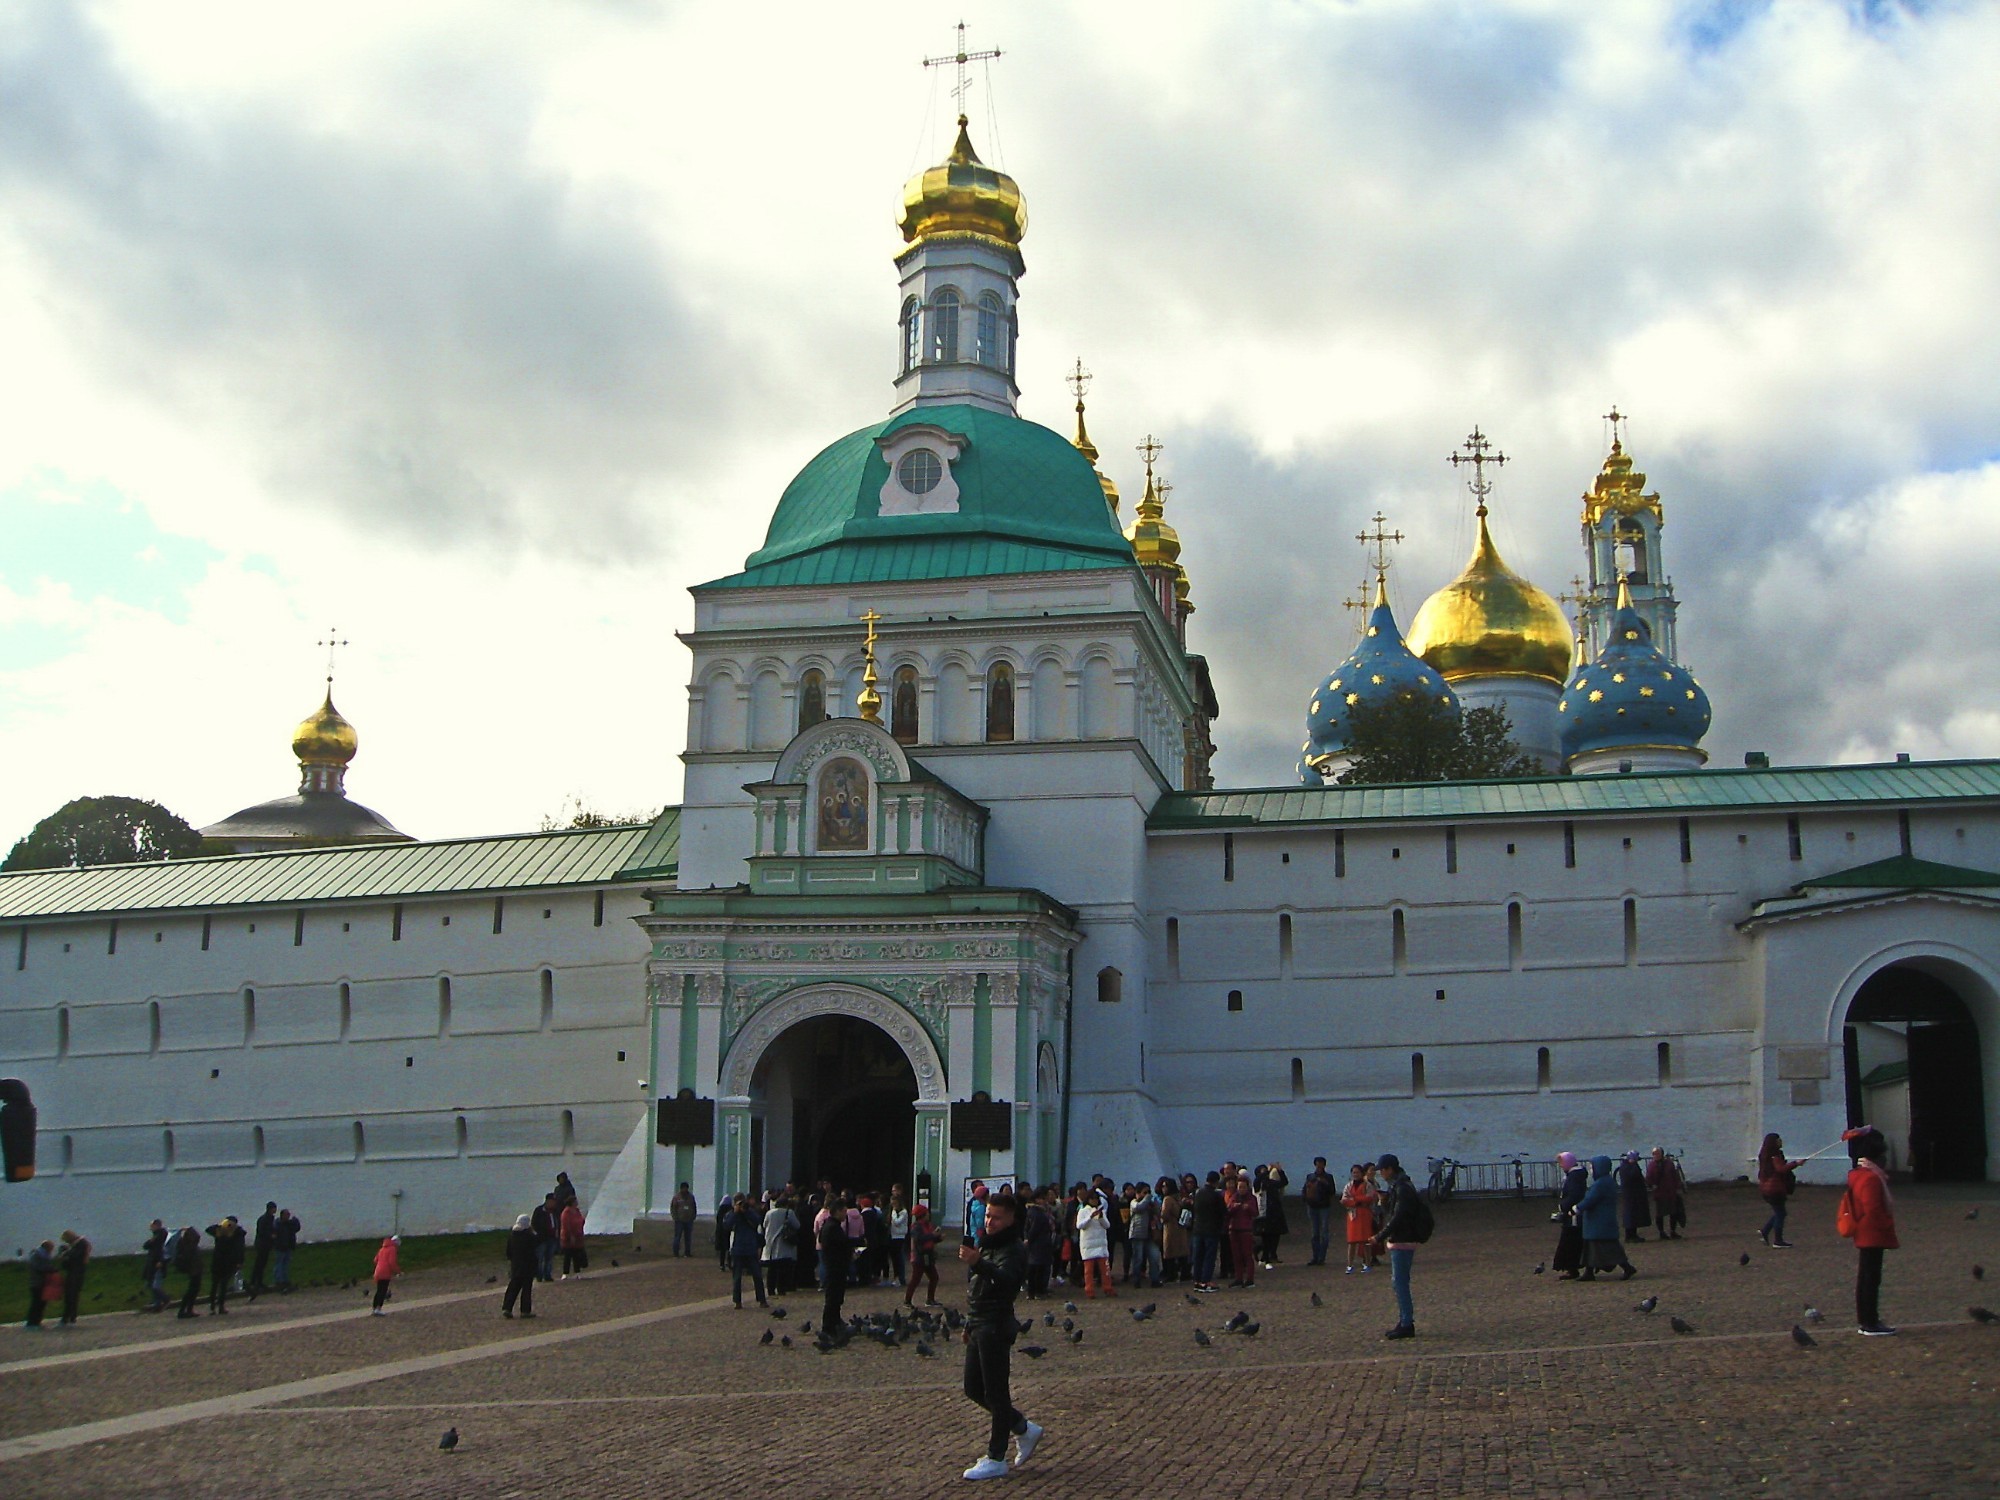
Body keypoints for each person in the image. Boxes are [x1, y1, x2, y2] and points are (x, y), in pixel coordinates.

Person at [957, 1189, 1043, 1481]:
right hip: (980, 1323)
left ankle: (996, 1457)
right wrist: (969, 1324)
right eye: (989, 1216)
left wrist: (977, 1263)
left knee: (996, 1392)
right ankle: (1021, 1427)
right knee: (973, 1388)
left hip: (996, 1325)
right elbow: (979, 1288)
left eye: (997, 1217)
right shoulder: (990, 1243)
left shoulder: (1014, 1249)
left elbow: (1006, 1281)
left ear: (1011, 1219)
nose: (990, 1222)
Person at [1841, 1126, 1899, 1335]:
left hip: (1865, 1232)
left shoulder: (1859, 1175)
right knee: (1871, 1278)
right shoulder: (1871, 1178)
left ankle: (1867, 1319)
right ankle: (1869, 1321)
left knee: (1867, 1277)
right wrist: (1885, 1226)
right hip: (1872, 1232)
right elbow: (1873, 1208)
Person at [1372, 1154, 1423, 1339]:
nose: (1381, 1174)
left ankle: (1406, 1323)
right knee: (1399, 1282)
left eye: (1382, 1170)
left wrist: (1380, 1236)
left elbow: (1398, 1216)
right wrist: (1385, 1203)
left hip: (1403, 1238)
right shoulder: (1400, 1186)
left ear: (1389, 1169)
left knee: (1400, 1283)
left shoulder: (1401, 1188)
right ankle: (1404, 1320)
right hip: (1402, 1237)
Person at [1579, 1155, 1637, 1281]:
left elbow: (1590, 1200)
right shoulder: (1607, 1181)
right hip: (1602, 1222)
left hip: (1599, 1222)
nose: (1591, 1170)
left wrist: (1577, 1208)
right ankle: (1589, 1272)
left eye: (1592, 1167)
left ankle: (1627, 1267)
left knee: (1607, 1248)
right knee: (1594, 1247)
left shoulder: (1600, 1184)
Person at [816, 1194, 853, 1337]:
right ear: (837, 1211)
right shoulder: (832, 1227)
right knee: (833, 1298)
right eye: (844, 1211)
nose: (845, 1214)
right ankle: (829, 1327)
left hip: (835, 1266)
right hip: (835, 1267)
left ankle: (835, 1323)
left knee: (836, 1298)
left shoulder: (829, 1225)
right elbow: (839, 1245)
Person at [1756, 1132, 1801, 1248]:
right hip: (1775, 1189)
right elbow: (1781, 1169)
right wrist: (1796, 1164)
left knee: (1779, 1212)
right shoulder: (1774, 1156)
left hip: (1767, 1188)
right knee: (1780, 1213)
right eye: (1778, 1140)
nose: (1781, 1142)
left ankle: (1765, 1231)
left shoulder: (1764, 1155)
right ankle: (1778, 1240)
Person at [727, 1193, 768, 1309]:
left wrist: (746, 1211)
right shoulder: (733, 1214)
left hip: (750, 1248)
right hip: (738, 1249)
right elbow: (726, 1225)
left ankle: (762, 1299)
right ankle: (737, 1301)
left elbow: (757, 1220)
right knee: (737, 1277)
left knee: (757, 1275)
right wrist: (735, 1212)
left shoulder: (750, 1212)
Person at [1552, 1152, 1588, 1279]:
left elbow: (1574, 1195)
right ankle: (1572, 1268)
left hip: (1573, 1216)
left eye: (1562, 1163)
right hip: (1573, 1214)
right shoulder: (1576, 1175)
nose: (1561, 1166)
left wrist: (1563, 1206)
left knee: (1570, 1242)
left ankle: (1571, 1268)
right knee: (1572, 1242)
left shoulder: (1574, 1177)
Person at [1075, 1184, 1113, 1298]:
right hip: (1088, 1244)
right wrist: (1090, 1217)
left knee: (1105, 1269)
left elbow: (1107, 1225)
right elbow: (1079, 1225)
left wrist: (1101, 1216)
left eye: (1096, 1199)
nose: (1095, 1201)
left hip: (1101, 1243)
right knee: (1089, 1271)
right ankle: (1089, 1290)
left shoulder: (1101, 1211)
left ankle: (1108, 1288)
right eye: (1092, 1199)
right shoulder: (1083, 1211)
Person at [1190, 1170, 1225, 1291]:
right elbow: (1222, 1212)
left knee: (1198, 1256)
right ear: (1216, 1181)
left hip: (1198, 1229)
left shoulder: (1198, 1193)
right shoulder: (1216, 1195)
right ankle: (1206, 1281)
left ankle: (1197, 1280)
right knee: (1209, 1256)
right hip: (1211, 1230)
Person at [1341, 1163, 1377, 1274]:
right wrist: (1357, 1201)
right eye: (1354, 1172)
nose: (1355, 1174)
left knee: (1366, 1240)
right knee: (1351, 1241)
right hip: (1353, 1215)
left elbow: (1370, 1198)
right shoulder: (1349, 1186)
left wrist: (1354, 1200)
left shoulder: (1367, 1185)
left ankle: (1367, 1263)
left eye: (1357, 1172)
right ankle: (1350, 1265)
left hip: (1364, 1214)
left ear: (1362, 1173)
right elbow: (1344, 1200)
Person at [1302, 1156, 1338, 1267]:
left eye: (1321, 1164)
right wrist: (1306, 1200)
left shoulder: (1328, 1177)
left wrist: (1324, 1183)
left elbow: (1332, 1191)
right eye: (1317, 1164)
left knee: (1324, 1232)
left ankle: (1321, 1257)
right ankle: (1315, 1257)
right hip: (1312, 1206)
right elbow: (1305, 1190)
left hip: (1324, 1206)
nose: (1319, 1166)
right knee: (1315, 1233)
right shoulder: (1310, 1176)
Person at [762, 1194, 800, 1298]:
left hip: (770, 1242)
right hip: (783, 1243)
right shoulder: (789, 1212)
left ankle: (770, 1289)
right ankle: (781, 1289)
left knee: (772, 1268)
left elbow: (764, 1225)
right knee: (782, 1268)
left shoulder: (769, 1213)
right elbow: (797, 1225)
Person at [206, 1216, 246, 1314]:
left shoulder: (237, 1233)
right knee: (216, 1284)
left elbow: (240, 1249)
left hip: (227, 1261)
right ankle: (214, 1305)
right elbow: (208, 1230)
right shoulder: (220, 1231)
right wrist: (220, 1226)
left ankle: (220, 1305)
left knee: (222, 1285)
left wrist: (239, 1261)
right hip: (219, 1261)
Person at [1224, 1172, 1258, 1287]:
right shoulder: (1234, 1197)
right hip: (1233, 1229)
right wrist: (1234, 1207)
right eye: (1239, 1187)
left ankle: (1249, 1279)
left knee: (1247, 1255)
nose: (1241, 1189)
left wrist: (1248, 1208)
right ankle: (1238, 1278)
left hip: (1245, 1229)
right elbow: (1227, 1211)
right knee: (1236, 1255)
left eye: (1243, 1187)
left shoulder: (1251, 1199)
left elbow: (1255, 1212)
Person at [905, 1202, 943, 1306]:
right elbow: (919, 1240)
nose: (928, 1215)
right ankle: (907, 1301)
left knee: (934, 1277)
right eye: (926, 1213)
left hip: (928, 1255)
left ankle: (930, 1300)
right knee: (915, 1280)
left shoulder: (927, 1225)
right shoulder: (916, 1227)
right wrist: (933, 1235)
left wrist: (938, 1238)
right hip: (920, 1256)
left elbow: (929, 1240)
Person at [1126, 1180, 1162, 1288]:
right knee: (1138, 1259)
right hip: (1138, 1234)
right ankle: (1136, 1280)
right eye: (1144, 1192)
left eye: (1148, 1192)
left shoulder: (1151, 1203)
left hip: (1151, 1234)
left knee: (1154, 1257)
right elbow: (1139, 1208)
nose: (1147, 1195)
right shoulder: (1133, 1202)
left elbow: (1158, 1212)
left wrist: (1154, 1204)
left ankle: (1155, 1280)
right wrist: (1147, 1199)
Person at [1645, 1148, 1686, 1239]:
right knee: (1660, 1214)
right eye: (1654, 1154)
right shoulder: (1652, 1165)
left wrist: (1678, 1187)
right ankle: (1661, 1232)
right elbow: (1648, 1178)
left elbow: (1675, 1176)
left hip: (1670, 1192)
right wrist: (1651, 1185)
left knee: (1673, 1212)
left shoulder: (1669, 1164)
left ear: (1661, 1154)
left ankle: (1672, 1231)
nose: (1655, 1156)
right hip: (1660, 1194)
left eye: (1657, 1154)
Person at [502, 1214, 537, 1318]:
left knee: (513, 1287)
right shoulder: (529, 1236)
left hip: (516, 1265)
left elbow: (508, 1252)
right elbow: (533, 1248)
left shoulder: (512, 1235)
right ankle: (525, 1310)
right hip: (527, 1266)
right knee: (526, 1289)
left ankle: (507, 1308)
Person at [1258, 1161, 1291, 1267]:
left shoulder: (1270, 1183)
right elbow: (1259, 1181)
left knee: (1275, 1235)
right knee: (1266, 1236)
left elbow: (1284, 1182)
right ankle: (1265, 1256)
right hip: (1264, 1213)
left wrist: (1280, 1171)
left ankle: (1271, 1255)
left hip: (1274, 1212)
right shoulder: (1259, 1183)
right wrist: (1267, 1171)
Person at [56, 1228, 91, 1326]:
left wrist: (65, 1255)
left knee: (71, 1295)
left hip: (76, 1273)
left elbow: (75, 1258)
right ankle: (70, 1317)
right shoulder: (79, 1245)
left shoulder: (81, 1245)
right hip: (75, 1272)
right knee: (71, 1296)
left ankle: (69, 1318)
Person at [1023, 1191, 1054, 1299]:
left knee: (1035, 1268)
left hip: (1038, 1243)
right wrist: (1029, 1239)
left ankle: (1034, 1291)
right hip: (1039, 1243)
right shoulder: (1037, 1213)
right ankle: (1038, 1291)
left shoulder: (1034, 1211)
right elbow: (1034, 1228)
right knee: (1038, 1269)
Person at [1617, 1152, 1651, 1243]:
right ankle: (1630, 1236)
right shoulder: (1630, 1168)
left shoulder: (1624, 1166)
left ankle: (1632, 1235)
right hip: (1632, 1194)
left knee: (1632, 1215)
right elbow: (1634, 1176)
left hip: (1630, 1194)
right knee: (1632, 1215)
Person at [173, 1224, 204, 1319]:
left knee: (193, 1290)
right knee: (192, 1290)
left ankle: (187, 1310)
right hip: (194, 1270)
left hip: (193, 1269)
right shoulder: (189, 1245)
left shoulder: (185, 1244)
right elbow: (196, 1236)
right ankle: (185, 1310)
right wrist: (190, 1229)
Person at [23, 1239, 56, 1330]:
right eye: (51, 1248)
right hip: (37, 1283)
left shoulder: (43, 1255)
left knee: (42, 1303)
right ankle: (31, 1323)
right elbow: (38, 1267)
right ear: (46, 1247)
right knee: (36, 1303)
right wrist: (50, 1269)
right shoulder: (36, 1255)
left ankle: (37, 1321)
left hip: (43, 1283)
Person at [141, 1219, 170, 1312]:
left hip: (158, 1263)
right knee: (151, 1283)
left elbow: (164, 1250)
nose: (150, 1228)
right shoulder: (157, 1236)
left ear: (157, 1225)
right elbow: (146, 1245)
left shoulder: (161, 1236)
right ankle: (157, 1305)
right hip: (153, 1262)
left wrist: (161, 1261)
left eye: (152, 1226)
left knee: (155, 1285)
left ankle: (165, 1299)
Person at [271, 1209, 301, 1292]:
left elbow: (296, 1228)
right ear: (282, 1215)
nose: (288, 1216)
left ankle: (285, 1280)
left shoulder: (289, 1224)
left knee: (285, 1265)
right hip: (280, 1247)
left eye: (288, 1215)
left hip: (288, 1247)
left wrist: (296, 1221)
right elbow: (275, 1235)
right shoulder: (277, 1224)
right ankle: (279, 1281)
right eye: (286, 1215)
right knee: (279, 1264)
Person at [371, 1234, 400, 1315]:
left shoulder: (382, 1249)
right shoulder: (392, 1249)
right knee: (383, 1291)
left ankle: (374, 1308)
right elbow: (392, 1262)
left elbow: (375, 1260)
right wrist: (397, 1271)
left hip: (378, 1271)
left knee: (379, 1290)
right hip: (385, 1272)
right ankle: (378, 1309)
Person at [534, 1194, 562, 1281]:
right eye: (552, 1202)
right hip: (542, 1238)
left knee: (549, 1258)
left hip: (552, 1237)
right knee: (540, 1258)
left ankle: (547, 1275)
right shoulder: (539, 1211)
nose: (554, 1204)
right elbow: (534, 1223)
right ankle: (539, 1275)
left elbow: (557, 1222)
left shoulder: (555, 1211)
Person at [559, 1198, 587, 1278]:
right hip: (568, 1237)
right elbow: (566, 1224)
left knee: (577, 1255)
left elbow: (581, 1221)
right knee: (568, 1255)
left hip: (578, 1235)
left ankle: (577, 1272)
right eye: (575, 1201)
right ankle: (565, 1273)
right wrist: (570, 1235)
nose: (577, 1202)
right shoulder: (566, 1212)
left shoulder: (577, 1211)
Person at [669, 1182, 697, 1258]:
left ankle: (687, 1252)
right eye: (683, 1188)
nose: (685, 1190)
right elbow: (673, 1208)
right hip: (679, 1221)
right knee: (677, 1237)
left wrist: (693, 1216)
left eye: (686, 1188)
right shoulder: (676, 1197)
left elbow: (694, 1207)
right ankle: (676, 1253)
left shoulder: (691, 1197)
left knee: (688, 1237)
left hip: (689, 1220)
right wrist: (675, 1217)